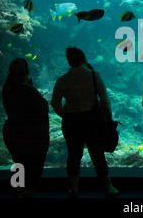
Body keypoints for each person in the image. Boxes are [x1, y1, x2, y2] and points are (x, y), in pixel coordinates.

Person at [51, 47, 119, 198]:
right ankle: (109, 188)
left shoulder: (62, 80)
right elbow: (104, 99)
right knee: (97, 153)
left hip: (70, 122)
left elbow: (55, 103)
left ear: (69, 61)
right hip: (91, 120)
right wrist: (106, 116)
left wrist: (64, 114)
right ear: (83, 59)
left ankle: (74, 189)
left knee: (73, 154)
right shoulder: (94, 75)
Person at [2, 58, 50, 198]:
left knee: (19, 165)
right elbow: (43, 108)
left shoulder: (7, 88)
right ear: (27, 72)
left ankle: (15, 194)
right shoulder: (29, 90)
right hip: (32, 140)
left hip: (14, 136)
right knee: (31, 177)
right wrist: (33, 89)